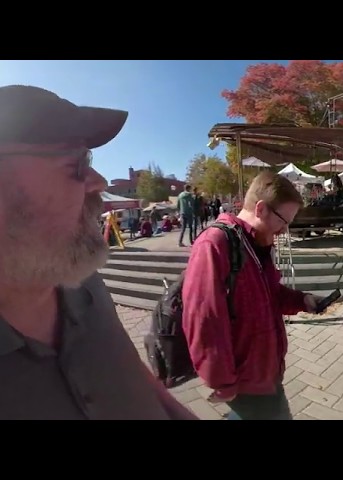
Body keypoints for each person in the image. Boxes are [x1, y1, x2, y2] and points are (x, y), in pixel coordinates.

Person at [0, 85, 197, 420]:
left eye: (89, 159)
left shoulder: (87, 284)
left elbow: (132, 370)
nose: (99, 181)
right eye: (76, 165)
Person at [182, 171, 326, 420]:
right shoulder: (215, 244)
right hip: (244, 381)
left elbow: (268, 294)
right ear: (260, 209)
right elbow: (204, 320)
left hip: (265, 373)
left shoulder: (255, 243)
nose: (284, 231)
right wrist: (222, 382)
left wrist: (302, 300)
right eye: (283, 221)